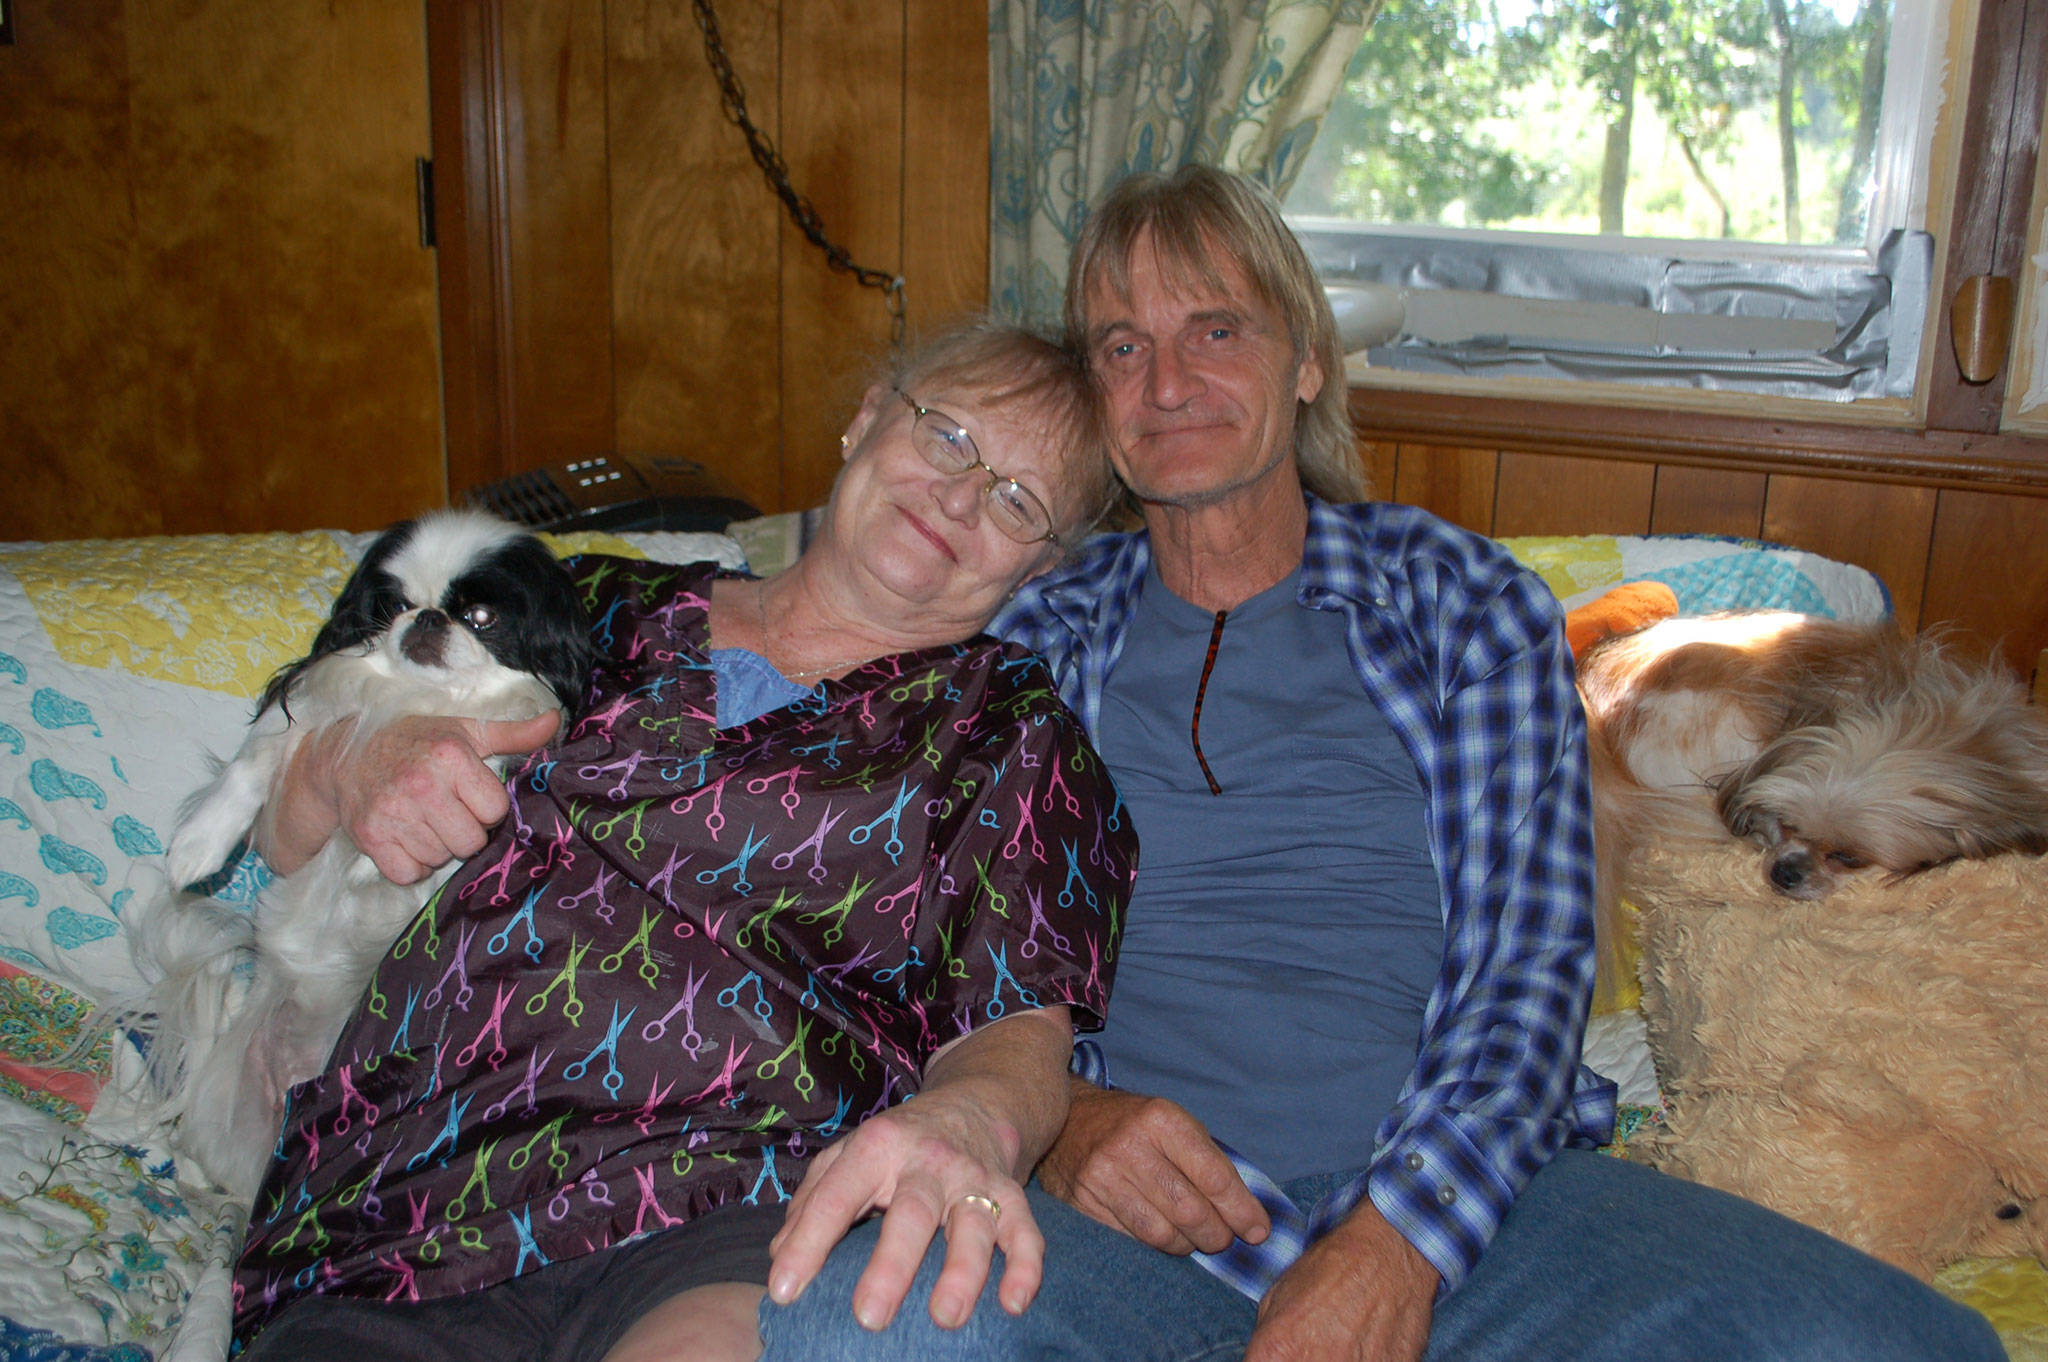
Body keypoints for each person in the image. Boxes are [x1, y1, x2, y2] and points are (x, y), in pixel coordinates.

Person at [755, 167, 2006, 1361]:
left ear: (1305, 360)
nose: (1167, 379)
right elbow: (925, 945)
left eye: (1215, 329)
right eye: (1120, 347)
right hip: (1117, 1229)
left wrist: (1392, 1250)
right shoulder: (1032, 630)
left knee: (1903, 1343)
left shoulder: (1460, 604)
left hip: (1468, 1219)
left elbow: (1529, 973)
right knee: (839, 1323)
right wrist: (1064, 1125)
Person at [228, 318, 1138, 1361]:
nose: (961, 496)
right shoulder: (582, 605)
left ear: (1042, 565)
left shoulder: (1011, 732)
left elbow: (1017, 1033)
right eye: (946, 439)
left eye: (1017, 502)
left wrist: (972, 1124)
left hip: (742, 1198)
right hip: (422, 1190)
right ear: (863, 422)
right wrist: (352, 765)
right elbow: (279, 839)